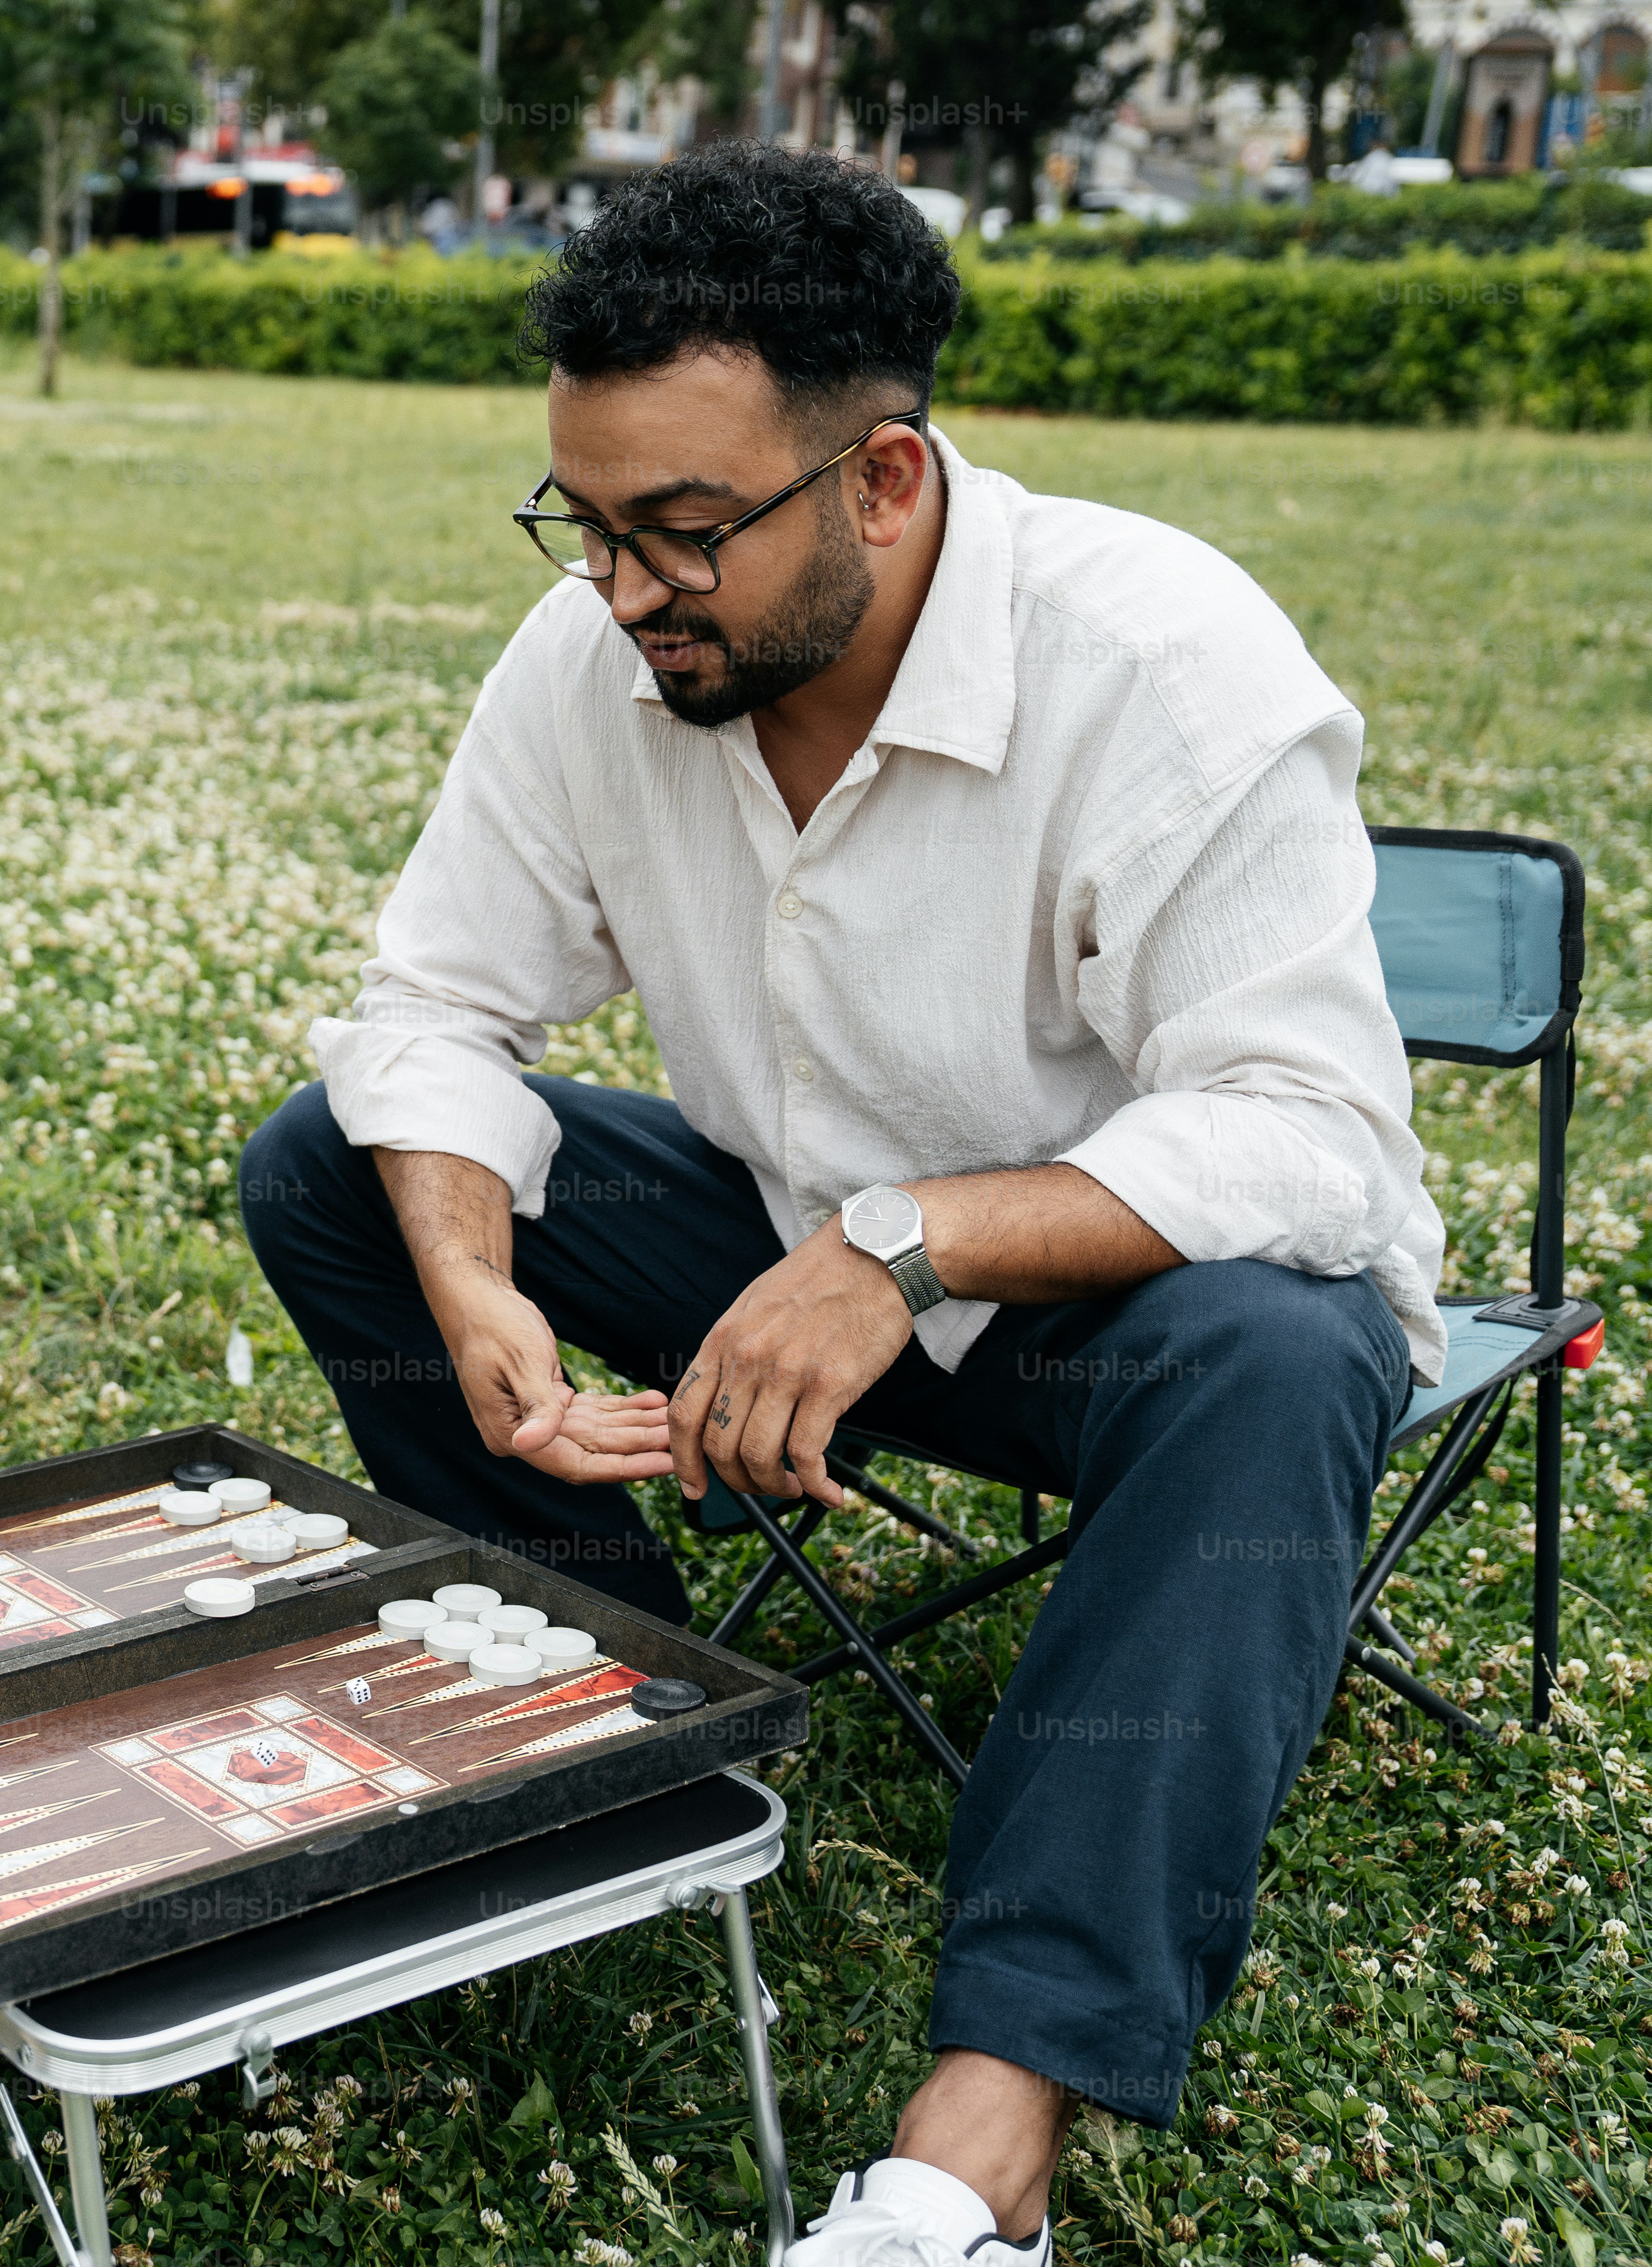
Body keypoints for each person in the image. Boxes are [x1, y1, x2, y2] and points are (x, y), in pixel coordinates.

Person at [237, 144, 1439, 2267]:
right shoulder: (589, 653)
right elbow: (429, 999)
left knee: (1287, 1341)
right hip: (774, 1240)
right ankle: (600, 1721)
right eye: (583, 523)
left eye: (682, 532)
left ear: (880, 479)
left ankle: (977, 2151)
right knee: (333, 1157)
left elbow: (1311, 1139)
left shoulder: (1152, 662)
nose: (620, 591)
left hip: (1103, 1318)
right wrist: (473, 1273)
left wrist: (902, 1244)